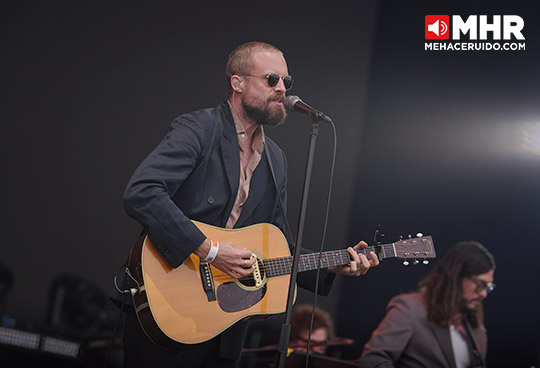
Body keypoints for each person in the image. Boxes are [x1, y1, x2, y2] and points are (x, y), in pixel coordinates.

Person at [117, 41, 379, 368]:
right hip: (167, 306)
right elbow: (143, 192)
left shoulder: (276, 160)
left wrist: (331, 265)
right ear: (237, 82)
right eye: (272, 80)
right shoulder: (200, 128)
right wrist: (210, 250)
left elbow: (276, 246)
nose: (282, 89)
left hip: (224, 327)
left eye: (287, 82)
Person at [358, 241, 496, 368]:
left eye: (488, 286)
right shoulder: (409, 309)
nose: (484, 294)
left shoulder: (476, 329)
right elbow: (373, 361)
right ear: (456, 278)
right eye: (479, 284)